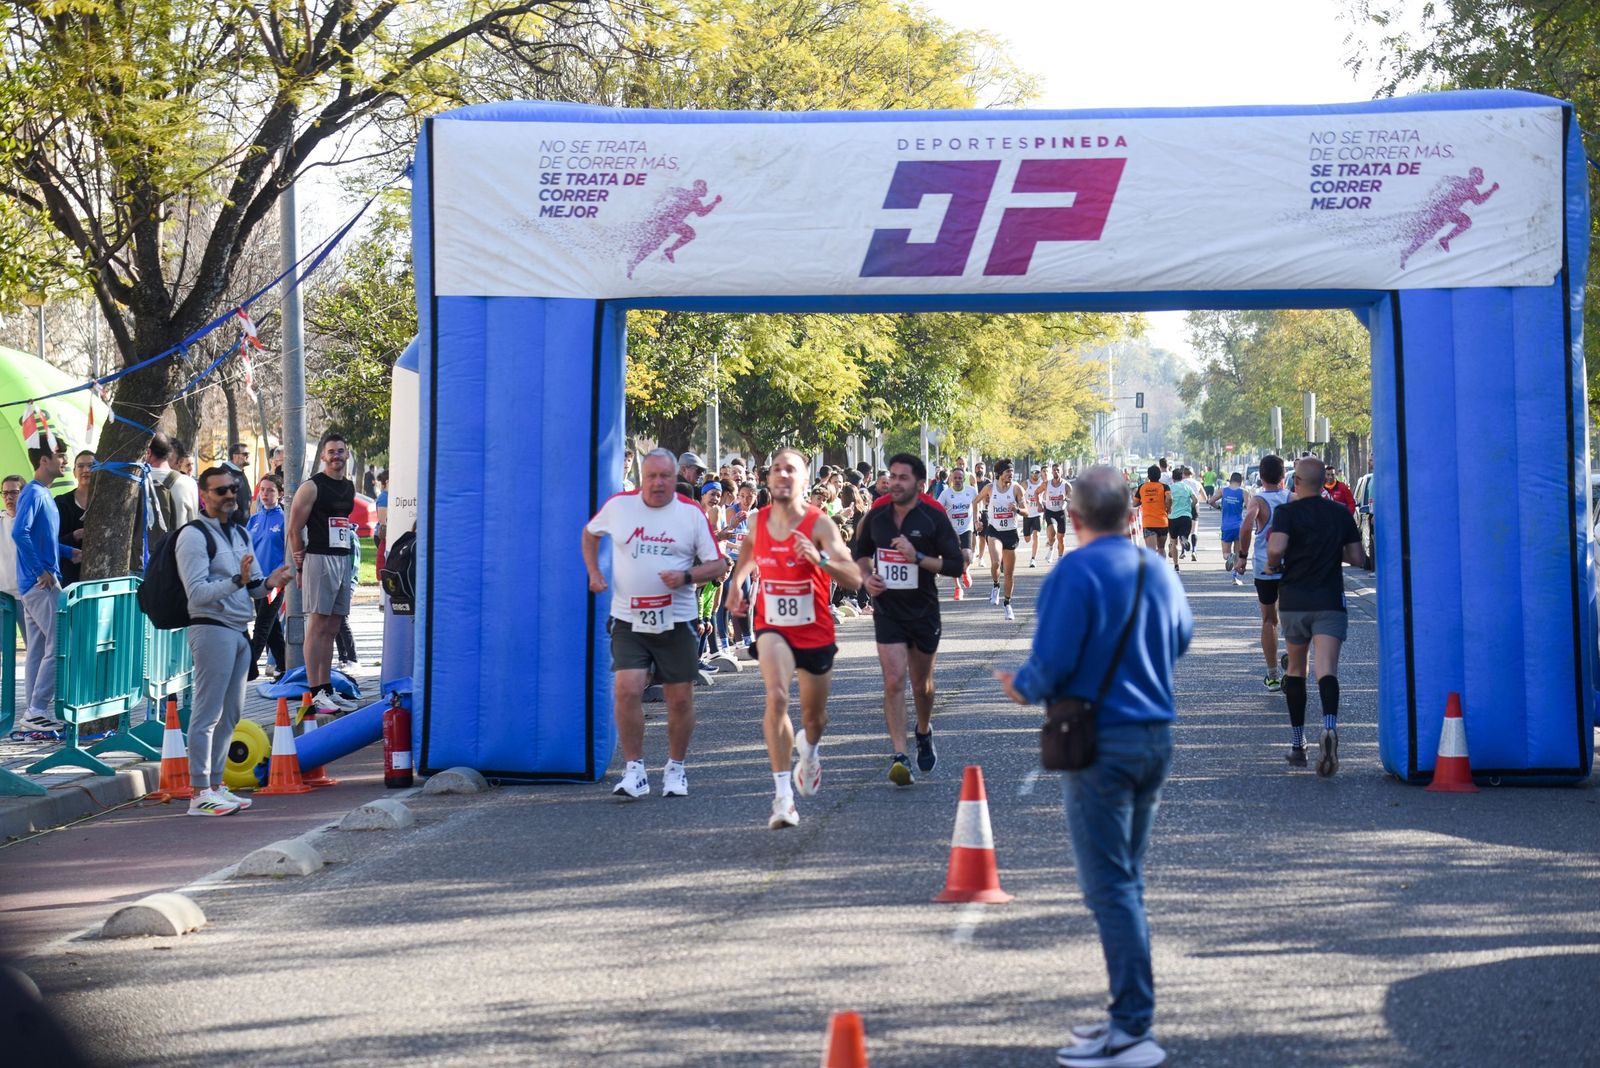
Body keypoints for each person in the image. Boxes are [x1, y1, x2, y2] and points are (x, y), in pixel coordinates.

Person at [996, 466, 1192, 1068]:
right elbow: (1181, 637)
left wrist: (1021, 687)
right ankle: (1125, 1016)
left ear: (1074, 518)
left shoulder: (1073, 571)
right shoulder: (1155, 568)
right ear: (1131, 515)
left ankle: (1133, 1025)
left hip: (1100, 741)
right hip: (1154, 736)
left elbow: (1050, 661)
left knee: (1110, 887)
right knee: (1125, 880)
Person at [725, 448, 859, 828]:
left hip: (814, 628)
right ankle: (783, 797)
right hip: (773, 626)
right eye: (777, 469)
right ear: (769, 479)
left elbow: (853, 577)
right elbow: (749, 552)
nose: (783, 475)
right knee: (777, 695)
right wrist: (737, 582)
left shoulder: (820, 524)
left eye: (792, 470)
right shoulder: (758, 520)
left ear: (804, 480)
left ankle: (810, 751)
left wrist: (819, 560)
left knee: (814, 719)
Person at [584, 448, 727, 799]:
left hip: (676, 619)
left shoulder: (690, 513)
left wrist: (686, 576)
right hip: (628, 617)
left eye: (665, 476)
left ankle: (676, 768)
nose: (658, 483)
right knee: (627, 689)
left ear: (674, 478)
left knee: (679, 700)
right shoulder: (619, 506)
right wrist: (594, 572)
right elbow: (590, 533)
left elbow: (718, 565)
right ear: (642, 478)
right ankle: (634, 770)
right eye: (652, 477)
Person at [178, 466, 293, 815]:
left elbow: (255, 585)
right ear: (204, 496)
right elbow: (196, 594)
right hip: (211, 628)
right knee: (207, 714)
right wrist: (236, 580)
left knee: (231, 714)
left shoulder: (241, 533)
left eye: (232, 489)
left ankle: (216, 784)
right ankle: (199, 793)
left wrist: (271, 581)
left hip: (239, 630)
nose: (228, 495)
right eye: (219, 491)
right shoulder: (194, 536)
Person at [853, 453, 964, 785]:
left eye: (903, 477)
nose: (894, 482)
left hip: (923, 610)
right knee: (893, 681)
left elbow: (956, 565)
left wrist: (916, 557)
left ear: (919, 483)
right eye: (892, 476)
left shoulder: (933, 516)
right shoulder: (877, 515)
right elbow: (860, 550)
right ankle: (900, 755)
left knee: (922, 686)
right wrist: (867, 576)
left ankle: (924, 730)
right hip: (888, 610)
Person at [1265, 456, 1367, 775]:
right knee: (1327, 670)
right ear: (1325, 481)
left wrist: (1272, 563)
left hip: (1295, 600)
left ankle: (1298, 745)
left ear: (1296, 481)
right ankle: (1329, 725)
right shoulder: (1339, 513)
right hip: (1329, 599)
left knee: (1296, 669)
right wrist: (1327, 550)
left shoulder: (1286, 512)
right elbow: (1358, 558)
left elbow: (1277, 547)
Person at [287, 434, 358, 715]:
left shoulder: (350, 487)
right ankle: (315, 692)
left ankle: (327, 688)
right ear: (323, 456)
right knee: (317, 627)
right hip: (318, 558)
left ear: (347, 454)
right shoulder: (312, 487)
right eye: (331, 452)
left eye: (341, 451)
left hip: (343, 559)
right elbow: (294, 528)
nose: (337, 455)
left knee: (333, 627)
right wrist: (300, 565)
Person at [13, 439, 67, 734]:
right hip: (40, 584)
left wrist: (70, 552)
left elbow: (40, 537)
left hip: (40, 581)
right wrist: (41, 570)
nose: (65, 461)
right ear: (44, 460)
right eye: (60, 456)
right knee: (59, 643)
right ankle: (36, 709)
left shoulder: (43, 493)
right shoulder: (33, 492)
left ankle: (34, 714)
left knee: (36, 649)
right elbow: (19, 534)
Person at [1234, 454, 1291, 691]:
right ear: (1282, 477)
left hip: (1264, 566)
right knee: (1293, 617)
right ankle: (1293, 663)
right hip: (1292, 566)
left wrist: (1242, 557)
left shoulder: (1257, 501)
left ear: (1261, 476)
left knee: (1269, 619)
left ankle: (1272, 675)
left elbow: (1247, 525)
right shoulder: (1293, 498)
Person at [245, 476, 287, 681]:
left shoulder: (285, 519)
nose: (265, 494)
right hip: (256, 582)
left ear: (279, 493)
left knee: (262, 626)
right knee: (272, 629)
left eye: (270, 490)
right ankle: (286, 667)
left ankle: (246, 670)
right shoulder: (254, 519)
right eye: (262, 490)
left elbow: (290, 551)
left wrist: (278, 577)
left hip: (275, 583)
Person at [974, 459, 1025, 620]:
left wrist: (1017, 509)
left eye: (1012, 472)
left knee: (1009, 574)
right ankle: (995, 586)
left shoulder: (1017, 489)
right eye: (1007, 472)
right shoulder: (990, 488)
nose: (1011, 475)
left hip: (1011, 532)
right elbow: (975, 502)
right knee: (996, 562)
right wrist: (977, 520)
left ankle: (1007, 604)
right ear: (1000, 474)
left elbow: (1027, 511)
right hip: (994, 531)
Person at [935, 464, 977, 599]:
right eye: (955, 478)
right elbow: (937, 508)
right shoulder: (946, 493)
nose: (958, 480)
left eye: (960, 478)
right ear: (951, 479)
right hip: (951, 530)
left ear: (963, 478)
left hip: (966, 528)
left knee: (967, 555)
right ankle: (958, 588)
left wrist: (978, 518)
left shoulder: (971, 491)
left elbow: (977, 504)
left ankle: (964, 570)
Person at [54, 450, 92, 586]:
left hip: (98, 575)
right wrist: (73, 536)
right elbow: (50, 542)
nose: (86, 470)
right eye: (81, 466)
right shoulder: (61, 502)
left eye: (91, 466)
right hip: (69, 575)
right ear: (74, 471)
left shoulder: (106, 504)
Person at [1210, 472, 1249, 581]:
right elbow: (1250, 507)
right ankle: (1234, 578)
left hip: (1226, 526)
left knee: (1226, 553)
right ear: (1240, 481)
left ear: (1230, 480)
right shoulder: (1244, 492)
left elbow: (1211, 501)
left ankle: (1229, 557)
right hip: (1239, 526)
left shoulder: (1223, 490)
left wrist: (1218, 507)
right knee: (1237, 552)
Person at [1136, 465, 1171, 558]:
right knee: (1161, 548)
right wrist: (1168, 508)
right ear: (1159, 475)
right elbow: (1169, 498)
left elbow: (1135, 503)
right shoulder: (1165, 487)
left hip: (1148, 523)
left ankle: (1152, 571)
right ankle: (1162, 570)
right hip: (1162, 522)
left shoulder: (1141, 487)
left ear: (1148, 475)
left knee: (1150, 552)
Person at [0, 475, 23, 604]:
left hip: (26, 593)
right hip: (2, 595)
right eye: (5, 493)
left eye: (14, 492)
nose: (9, 497)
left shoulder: (32, 519)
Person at [1042, 462, 1071, 563]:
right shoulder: (1046, 484)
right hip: (1050, 511)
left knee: (1061, 538)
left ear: (1061, 472)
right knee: (1052, 532)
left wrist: (1065, 498)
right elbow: (1037, 492)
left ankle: (1060, 558)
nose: (1056, 472)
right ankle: (1051, 548)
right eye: (1054, 470)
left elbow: (1073, 498)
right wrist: (1038, 504)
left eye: (1058, 470)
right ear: (1052, 472)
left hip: (1061, 512)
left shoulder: (1066, 485)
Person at [1024, 465, 1046, 567]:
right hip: (1027, 514)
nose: (1035, 474)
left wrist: (1043, 503)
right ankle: (1029, 530)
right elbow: (1018, 495)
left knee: (1036, 536)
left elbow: (1047, 496)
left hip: (1038, 513)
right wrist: (1024, 501)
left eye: (1037, 472)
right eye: (1034, 472)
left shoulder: (1042, 484)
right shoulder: (1025, 484)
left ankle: (1033, 559)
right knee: (1027, 539)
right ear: (1030, 473)